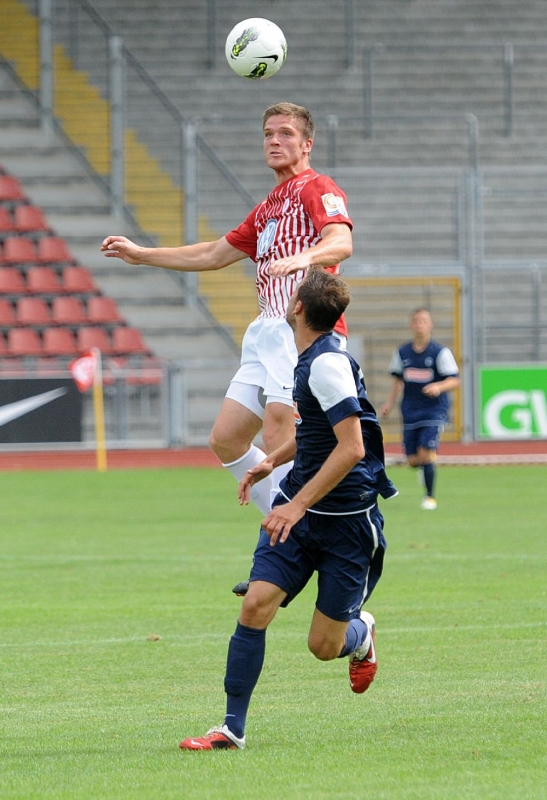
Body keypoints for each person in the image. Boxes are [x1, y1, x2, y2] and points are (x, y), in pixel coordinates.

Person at [101, 102, 353, 529]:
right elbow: (213, 253)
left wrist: (302, 258)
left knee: (279, 434)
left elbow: (341, 240)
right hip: (267, 329)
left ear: (307, 144)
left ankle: (300, 537)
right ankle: (292, 526)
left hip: (304, 332)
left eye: (287, 133)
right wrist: (143, 255)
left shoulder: (317, 186)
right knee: (226, 438)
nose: (275, 140)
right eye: (269, 133)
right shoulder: (269, 207)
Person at [179, 267, 397, 751]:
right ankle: (232, 728)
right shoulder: (305, 359)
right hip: (298, 513)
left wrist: (295, 505)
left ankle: (362, 634)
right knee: (255, 604)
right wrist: (270, 462)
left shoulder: (326, 365)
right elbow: (317, 435)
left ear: (297, 308)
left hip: (346, 525)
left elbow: (352, 448)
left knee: (323, 647)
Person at [380, 308, 460, 510]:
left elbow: (454, 380)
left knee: (426, 453)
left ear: (430, 325)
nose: (419, 325)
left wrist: (438, 386)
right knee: (414, 460)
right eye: (416, 321)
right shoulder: (403, 353)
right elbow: (398, 380)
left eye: (423, 321)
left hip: (434, 410)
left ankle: (430, 497)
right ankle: (424, 470)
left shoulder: (440, 352)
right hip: (410, 409)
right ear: (411, 325)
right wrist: (389, 403)